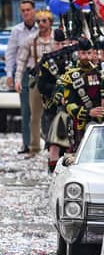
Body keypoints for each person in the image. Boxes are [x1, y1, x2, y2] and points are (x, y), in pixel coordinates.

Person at [14, 10, 54, 157]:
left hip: (52, 80)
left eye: (44, 21)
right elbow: (21, 61)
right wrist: (18, 79)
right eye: (38, 21)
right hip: (36, 79)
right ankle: (34, 147)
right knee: (35, 115)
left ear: (50, 22)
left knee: (54, 114)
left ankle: (54, 145)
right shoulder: (31, 40)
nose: (41, 24)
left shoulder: (56, 39)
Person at [36, 29, 75, 171]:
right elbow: (42, 85)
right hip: (52, 109)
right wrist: (57, 92)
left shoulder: (72, 59)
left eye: (62, 43)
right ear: (52, 43)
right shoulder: (46, 62)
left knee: (71, 143)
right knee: (54, 143)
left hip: (71, 108)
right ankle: (53, 172)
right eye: (57, 43)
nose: (60, 46)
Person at [4, 0, 38, 153]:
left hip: (41, 72)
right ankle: (27, 143)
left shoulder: (42, 28)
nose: (25, 13)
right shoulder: (17, 31)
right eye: (23, 10)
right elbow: (11, 53)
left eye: (28, 10)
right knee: (26, 109)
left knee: (43, 110)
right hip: (24, 73)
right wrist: (10, 74)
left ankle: (42, 142)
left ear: (34, 10)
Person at [61, 37, 104, 149]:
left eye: (89, 53)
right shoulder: (70, 76)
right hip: (81, 124)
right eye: (83, 53)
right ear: (78, 54)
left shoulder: (100, 73)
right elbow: (69, 105)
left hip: (100, 122)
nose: (87, 57)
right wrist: (88, 112)